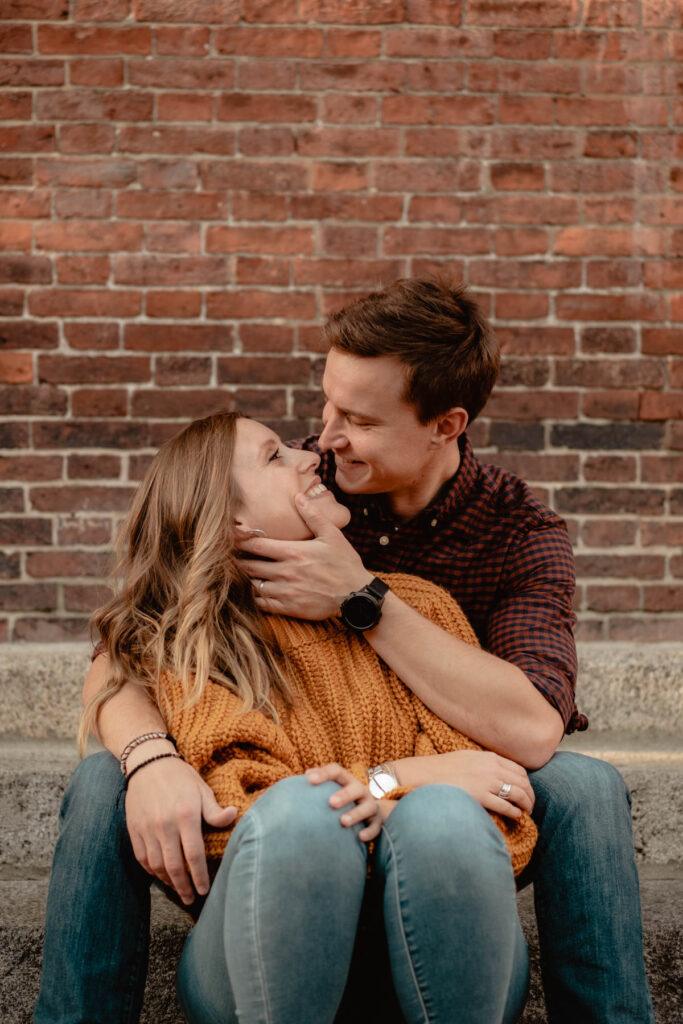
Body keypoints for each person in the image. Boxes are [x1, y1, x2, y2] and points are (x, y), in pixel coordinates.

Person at [34, 278, 653, 1024]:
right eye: (325, 405)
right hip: (293, 840)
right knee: (110, 775)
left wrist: (360, 600)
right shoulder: (301, 480)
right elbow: (130, 648)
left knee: (582, 788)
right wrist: (153, 759)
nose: (320, 441)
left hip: (457, 778)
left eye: (356, 418)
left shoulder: (518, 534)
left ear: (444, 424)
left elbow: (527, 732)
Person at [61, 410, 537, 1024]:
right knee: (314, 813)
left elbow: (496, 810)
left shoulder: (419, 606)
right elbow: (237, 822)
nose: (310, 455)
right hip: (263, 952)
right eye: (273, 457)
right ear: (234, 523)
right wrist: (389, 785)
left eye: (291, 447)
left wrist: (408, 797)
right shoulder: (202, 643)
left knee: (444, 816)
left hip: (440, 948)